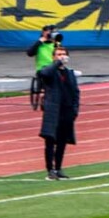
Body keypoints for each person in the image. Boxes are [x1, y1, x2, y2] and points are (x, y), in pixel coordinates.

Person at [36, 43, 80, 180]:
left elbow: (75, 92)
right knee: (50, 141)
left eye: (64, 54)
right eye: (59, 54)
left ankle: (58, 168)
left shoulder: (70, 73)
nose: (62, 57)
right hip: (53, 111)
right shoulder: (49, 71)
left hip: (67, 112)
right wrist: (57, 63)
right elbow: (44, 74)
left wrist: (75, 110)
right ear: (53, 57)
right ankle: (50, 169)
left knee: (62, 142)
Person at [26, 26, 61, 110]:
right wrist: (40, 41)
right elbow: (30, 53)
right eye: (48, 32)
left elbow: (62, 55)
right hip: (42, 69)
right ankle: (43, 94)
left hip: (54, 68)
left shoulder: (56, 44)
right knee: (45, 74)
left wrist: (55, 42)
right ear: (43, 33)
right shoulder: (39, 44)